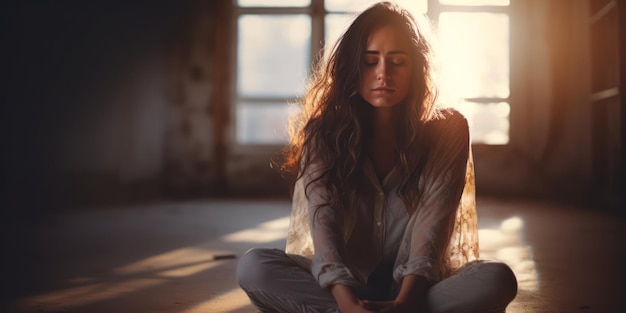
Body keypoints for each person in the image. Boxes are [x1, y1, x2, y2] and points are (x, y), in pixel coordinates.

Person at [236, 2, 518, 312]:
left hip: (419, 287)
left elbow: (433, 225)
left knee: (498, 278)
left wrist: (404, 302)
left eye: (398, 61)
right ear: (352, 68)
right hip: (345, 286)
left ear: (417, 68)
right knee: (254, 266)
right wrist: (346, 303)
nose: (383, 73)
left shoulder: (448, 129)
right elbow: (323, 224)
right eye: (370, 61)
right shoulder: (325, 132)